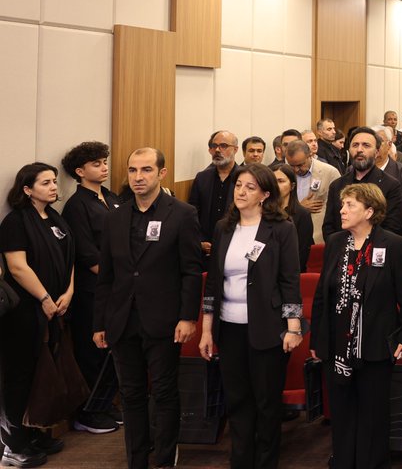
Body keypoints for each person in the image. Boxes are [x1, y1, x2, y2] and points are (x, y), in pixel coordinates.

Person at [94, 148, 204, 469]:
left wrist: (187, 317)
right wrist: (99, 323)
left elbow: (191, 270)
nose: (138, 177)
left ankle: (165, 460)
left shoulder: (182, 214)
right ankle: (136, 461)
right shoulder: (114, 217)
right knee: (131, 395)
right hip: (122, 320)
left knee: (165, 393)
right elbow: (107, 276)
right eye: (132, 170)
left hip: (164, 320)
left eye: (146, 170)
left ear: (161, 173)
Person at [197, 163, 302, 469]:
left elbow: (290, 282)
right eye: (239, 185)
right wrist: (207, 330)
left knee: (266, 404)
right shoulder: (224, 228)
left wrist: (293, 327)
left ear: (265, 195)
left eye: (250, 187)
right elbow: (213, 283)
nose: (241, 192)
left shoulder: (281, 229)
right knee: (238, 401)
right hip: (229, 327)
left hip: (267, 328)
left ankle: (267, 462)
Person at [311, 183, 402, 469]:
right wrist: (317, 340)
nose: (342, 210)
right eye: (342, 204)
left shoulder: (393, 245)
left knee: (373, 415)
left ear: (369, 211)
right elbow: (322, 295)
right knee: (342, 413)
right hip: (337, 346)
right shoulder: (335, 242)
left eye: (350, 205)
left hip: (375, 345)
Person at [1, 163, 77, 466]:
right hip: (26, 310)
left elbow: (70, 259)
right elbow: (17, 267)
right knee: (19, 377)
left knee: (42, 374)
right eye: (45, 183)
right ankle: (13, 444)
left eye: (54, 181)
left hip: (56, 307)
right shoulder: (16, 222)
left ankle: (34, 432)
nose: (54, 186)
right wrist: (44, 298)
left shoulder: (55, 218)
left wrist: (69, 292)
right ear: (27, 189)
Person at [59, 141, 122, 434]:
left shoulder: (111, 197)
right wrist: (114, 277)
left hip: (118, 283)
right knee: (90, 350)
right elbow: (85, 252)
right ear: (80, 171)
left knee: (111, 348)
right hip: (92, 288)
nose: (104, 167)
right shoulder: (76, 205)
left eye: (104, 162)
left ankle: (105, 404)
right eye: (96, 164)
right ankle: (88, 413)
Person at [321, 127, 402, 241]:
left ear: (376, 152)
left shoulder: (391, 185)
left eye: (366, 145)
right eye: (355, 145)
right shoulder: (337, 185)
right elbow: (329, 227)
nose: (359, 150)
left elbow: (392, 228)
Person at [189, 130, 240, 253]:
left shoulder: (244, 178)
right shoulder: (202, 177)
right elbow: (193, 212)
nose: (217, 150)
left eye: (223, 146)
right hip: (204, 244)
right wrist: (199, 241)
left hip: (234, 244)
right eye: (214, 146)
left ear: (235, 149)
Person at [271, 163, 313, 269]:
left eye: (281, 181)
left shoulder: (302, 214)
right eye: (273, 181)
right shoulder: (263, 211)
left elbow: (302, 253)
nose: (276, 185)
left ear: (292, 186)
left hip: (291, 270)